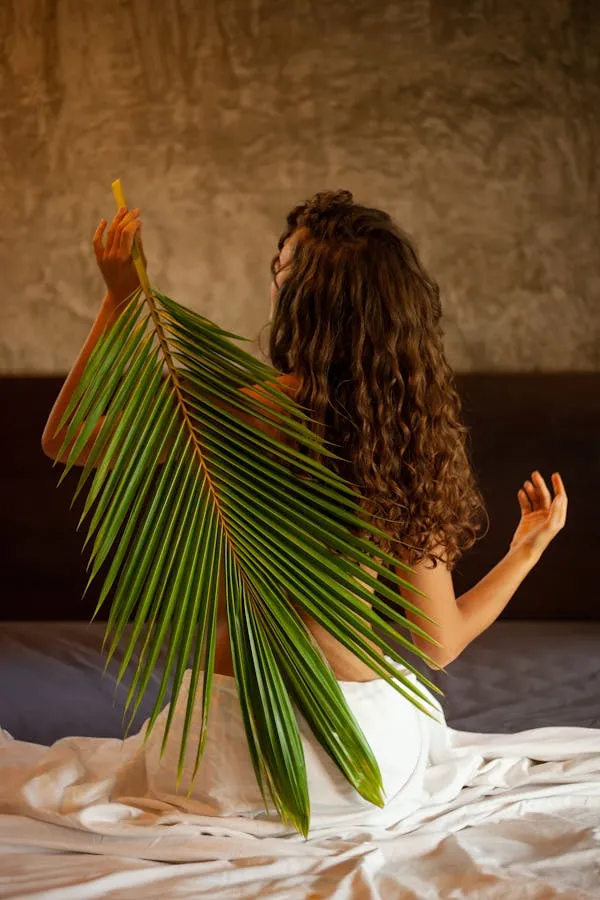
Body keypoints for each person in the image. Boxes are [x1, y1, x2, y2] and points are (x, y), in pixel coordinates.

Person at [35, 190, 570, 832]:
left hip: (223, 753)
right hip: (360, 759)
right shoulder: (403, 446)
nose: (273, 285)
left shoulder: (235, 415)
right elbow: (439, 643)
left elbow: (65, 437)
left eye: (282, 273)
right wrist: (526, 551)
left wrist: (122, 298)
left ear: (305, 306)